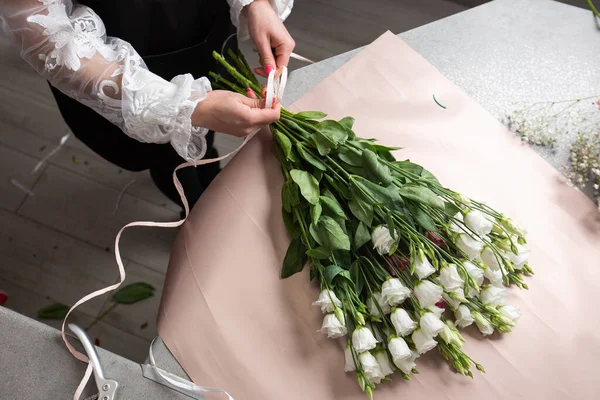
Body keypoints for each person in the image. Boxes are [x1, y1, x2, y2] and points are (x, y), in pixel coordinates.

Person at [0, 0, 295, 210]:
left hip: (201, 23)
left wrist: (256, 2)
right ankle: (191, 205)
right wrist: (183, 107)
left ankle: (206, 179)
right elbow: (48, 35)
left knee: (208, 132)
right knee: (164, 158)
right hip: (114, 67)